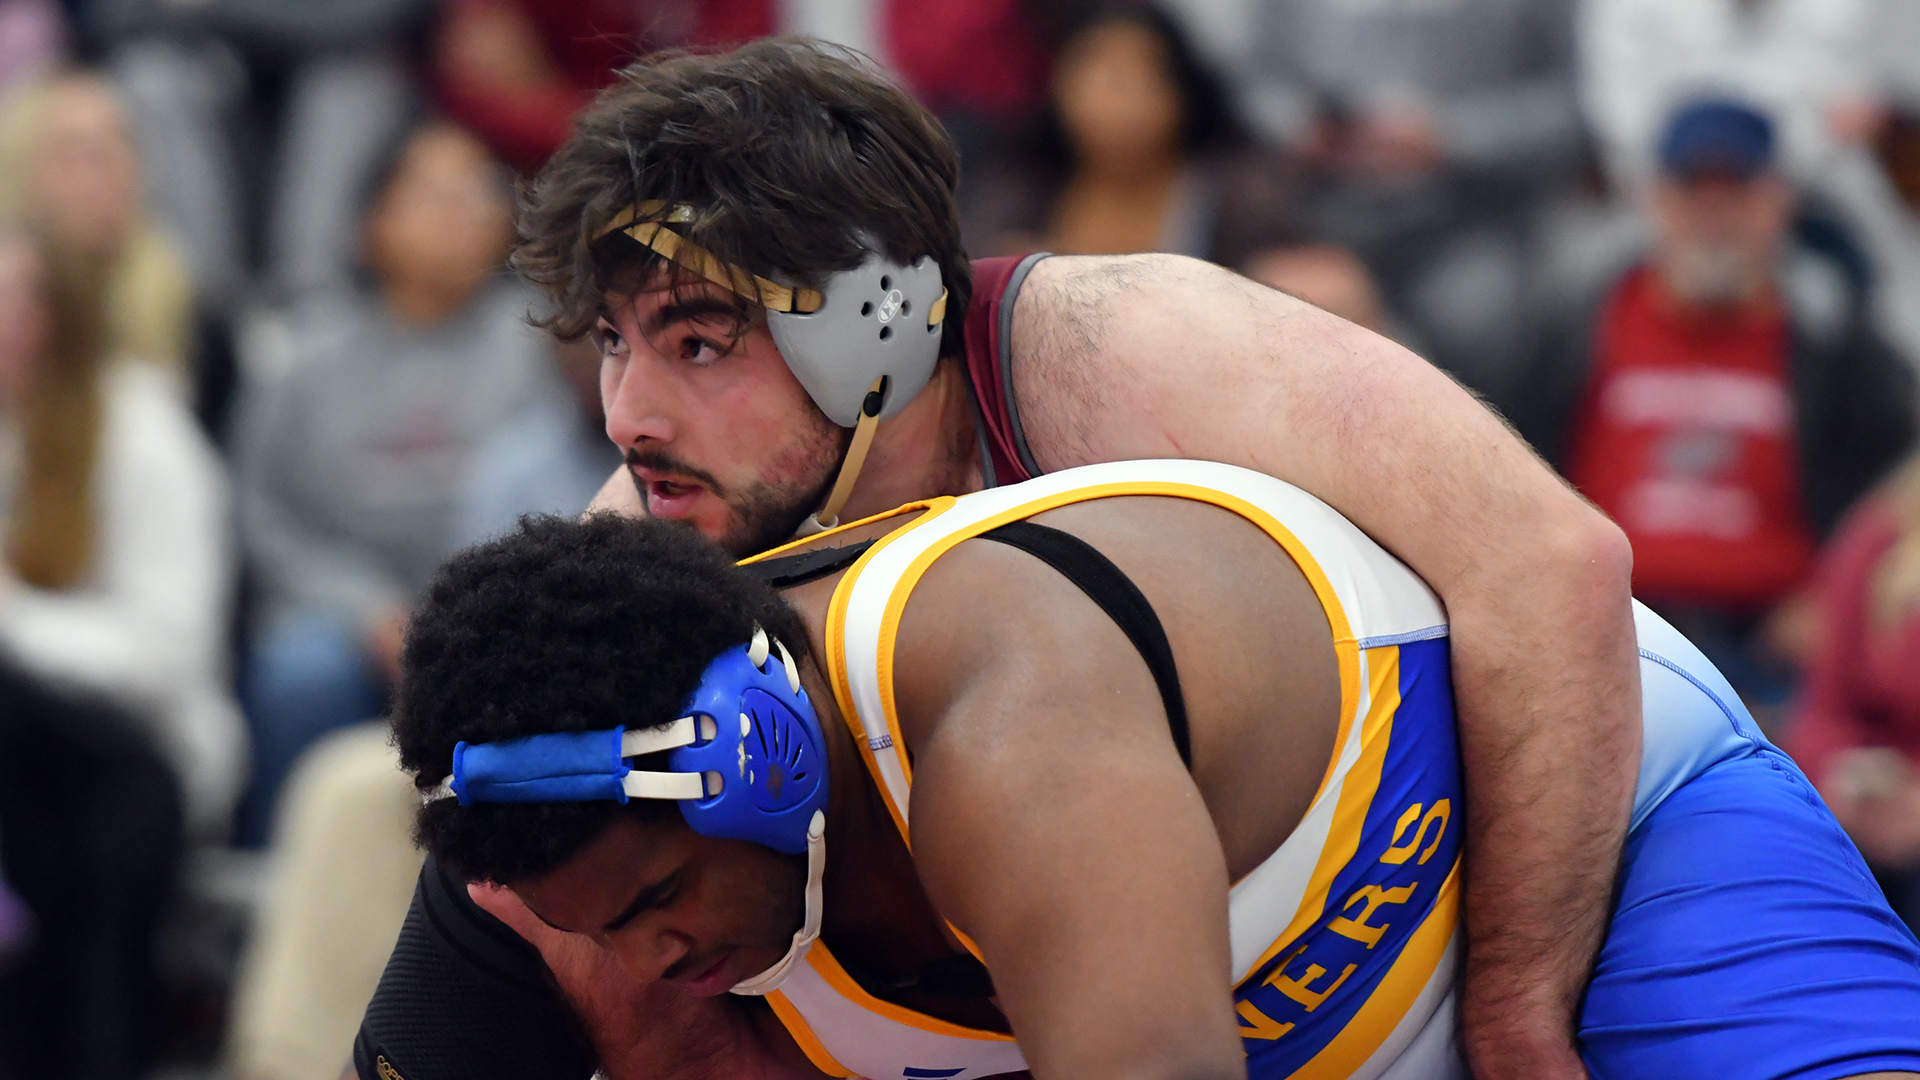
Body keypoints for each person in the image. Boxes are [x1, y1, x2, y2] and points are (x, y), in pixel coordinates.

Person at [362, 39, 1645, 1080]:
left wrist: (1524, 1016)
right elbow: (529, 868)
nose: (628, 414)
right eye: (612, 345)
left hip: (1566, 775)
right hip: (1265, 962)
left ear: (879, 321)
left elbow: (1554, 566)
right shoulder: (656, 535)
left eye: (696, 343)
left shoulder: (1124, 345)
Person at [381, 464, 1920, 1080]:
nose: (656, 961)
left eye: (654, 896)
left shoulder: (998, 711)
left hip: (1609, 827)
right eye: (602, 933)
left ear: (757, 751)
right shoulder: (557, 851)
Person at [1504, 100, 1914, 706]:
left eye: (1737, 194)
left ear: (1778, 203)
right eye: (1694, 192)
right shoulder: (1578, 322)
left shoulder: (1833, 341)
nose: (1714, 216)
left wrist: (1836, 594)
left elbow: (1899, 480)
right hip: (1608, 632)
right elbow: (1513, 458)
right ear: (1656, 200)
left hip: (1771, 653)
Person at [232, 118, 555, 843]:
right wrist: (365, 609)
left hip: (496, 605)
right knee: (299, 675)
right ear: (371, 220)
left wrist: (462, 610)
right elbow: (264, 514)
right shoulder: (303, 357)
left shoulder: (544, 343)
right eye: (432, 193)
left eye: (478, 192)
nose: (459, 212)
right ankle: (271, 877)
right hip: (348, 617)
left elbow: (567, 481)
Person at [961, 4, 1287, 263]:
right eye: (1096, 72)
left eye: (1138, 75)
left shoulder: (1235, 193)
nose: (1114, 99)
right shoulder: (1019, 188)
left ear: (1182, 92)